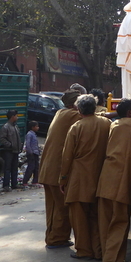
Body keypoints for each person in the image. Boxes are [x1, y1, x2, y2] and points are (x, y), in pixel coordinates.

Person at [60, 94, 111, 260]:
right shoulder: (106, 123)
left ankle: (83, 249)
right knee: (97, 216)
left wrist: (63, 178)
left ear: (79, 109)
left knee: (79, 217)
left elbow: (67, 156)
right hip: (101, 174)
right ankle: (99, 250)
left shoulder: (76, 127)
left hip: (79, 177)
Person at [96, 99, 131, 262]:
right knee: (120, 221)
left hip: (106, 177)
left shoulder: (113, 125)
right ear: (130, 113)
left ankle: (105, 255)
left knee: (105, 221)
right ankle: (112, 261)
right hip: (121, 180)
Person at [39, 90, 80, 249]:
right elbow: (95, 118)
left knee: (53, 208)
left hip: (47, 169)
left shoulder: (60, 113)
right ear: (74, 104)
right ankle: (57, 239)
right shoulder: (71, 115)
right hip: (56, 171)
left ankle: (53, 237)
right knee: (61, 208)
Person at [0, 109, 22, 191]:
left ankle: (14, 184)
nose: (17, 117)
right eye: (16, 116)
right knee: (7, 168)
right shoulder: (6, 127)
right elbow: (2, 139)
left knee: (14, 168)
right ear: (12, 117)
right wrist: (10, 145)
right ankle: (6, 185)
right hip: (9, 151)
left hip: (16, 151)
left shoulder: (15, 126)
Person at [22, 121, 40, 187]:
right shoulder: (29, 134)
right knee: (31, 167)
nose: (38, 128)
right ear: (32, 127)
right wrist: (30, 152)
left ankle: (35, 181)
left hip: (35, 153)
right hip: (32, 153)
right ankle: (25, 181)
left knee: (36, 168)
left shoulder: (34, 134)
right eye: (36, 126)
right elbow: (28, 144)